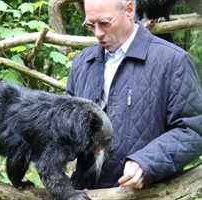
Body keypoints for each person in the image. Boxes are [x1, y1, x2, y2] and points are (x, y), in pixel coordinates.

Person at [67, 0, 202, 190]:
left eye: (105, 23)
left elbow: (193, 131)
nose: (97, 33)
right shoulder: (83, 62)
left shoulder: (174, 62)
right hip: (84, 192)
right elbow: (68, 126)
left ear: (130, 10)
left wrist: (146, 163)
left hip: (143, 193)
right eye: (90, 24)